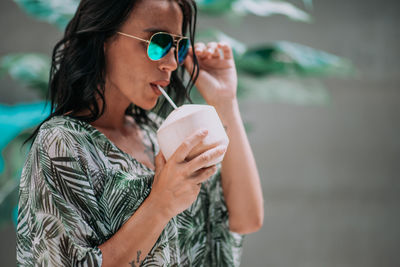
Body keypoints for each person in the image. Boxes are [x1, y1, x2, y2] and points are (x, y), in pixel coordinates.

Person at [16, 0, 264, 266]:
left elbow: (245, 219)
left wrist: (224, 100)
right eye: (158, 43)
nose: (171, 63)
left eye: (178, 49)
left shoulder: (161, 133)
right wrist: (161, 204)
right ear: (104, 39)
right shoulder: (62, 144)